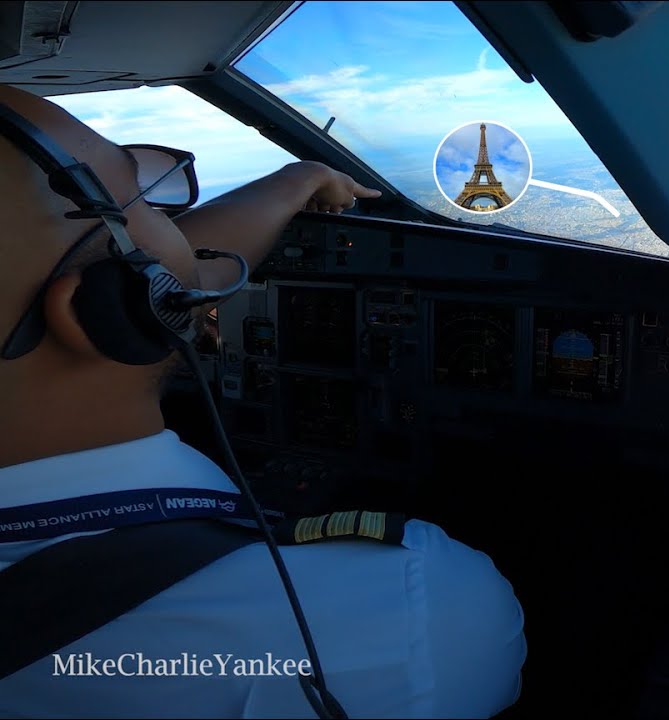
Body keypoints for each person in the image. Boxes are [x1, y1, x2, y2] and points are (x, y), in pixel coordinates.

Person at [0, 85, 526, 717]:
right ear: (107, 310)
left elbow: (157, 271)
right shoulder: (417, 614)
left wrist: (293, 181)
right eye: (149, 198)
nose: (181, 237)